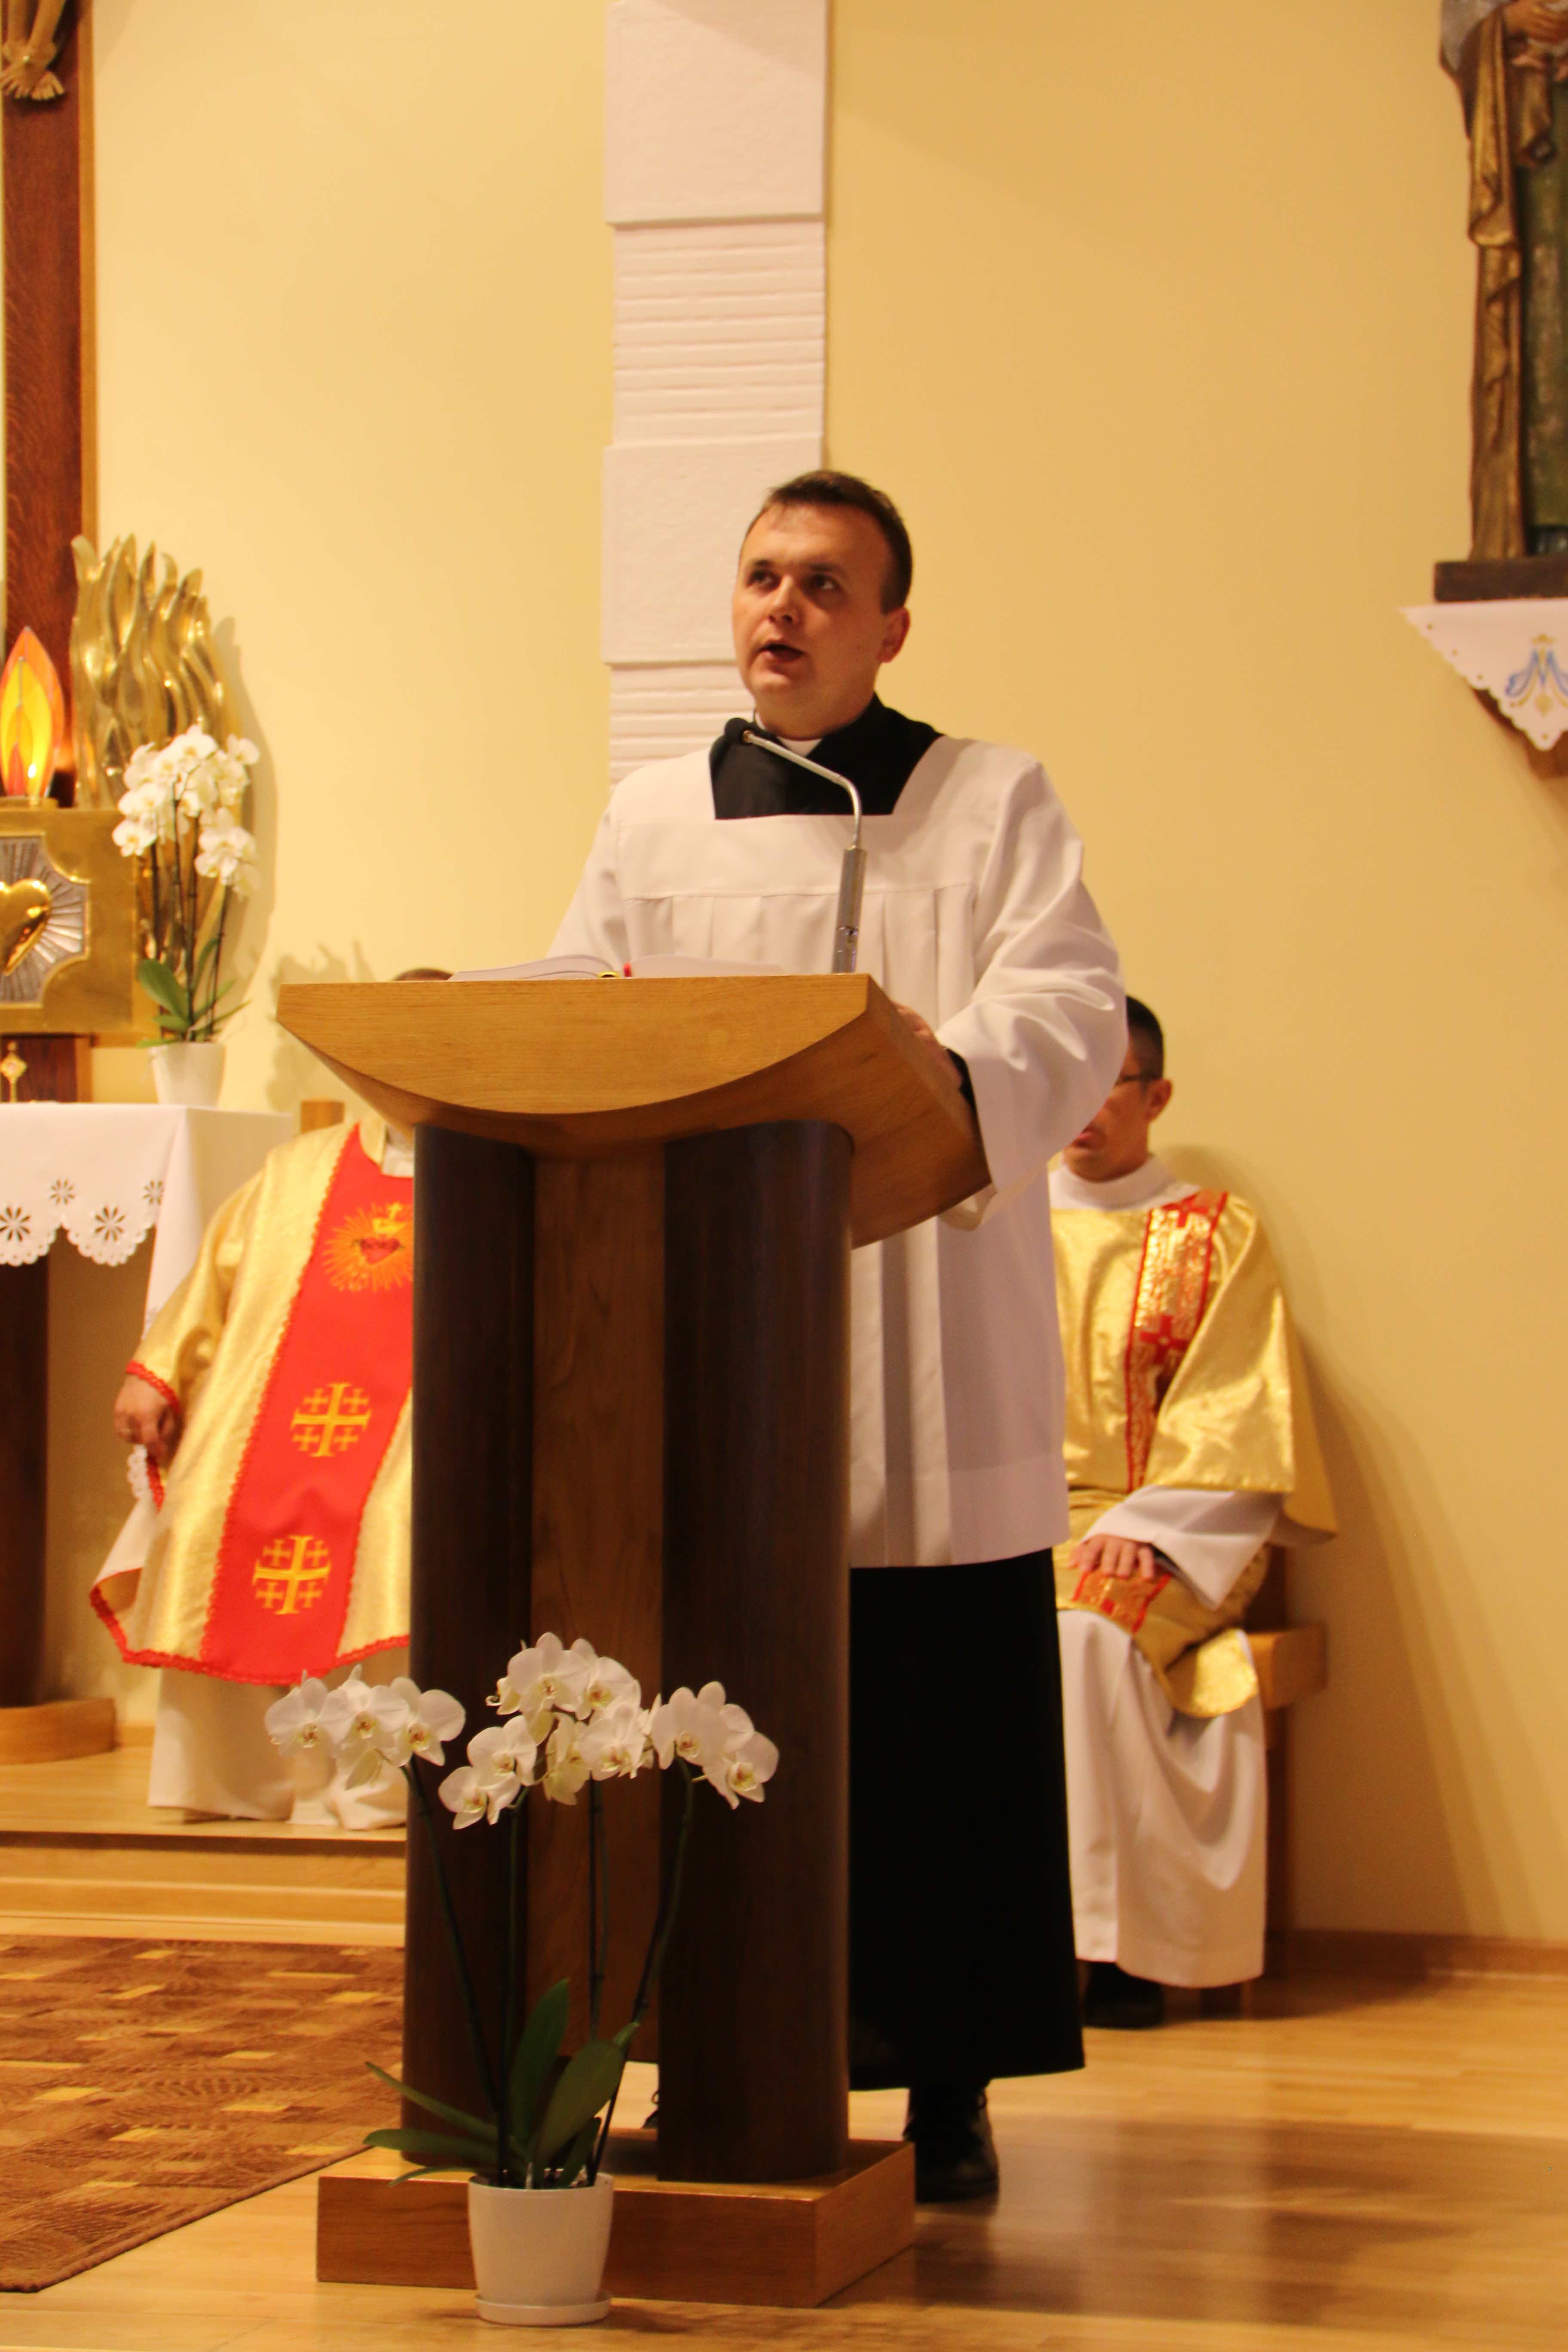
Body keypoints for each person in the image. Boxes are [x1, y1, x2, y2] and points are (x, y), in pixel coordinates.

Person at [551, 469, 1125, 2198]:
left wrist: (938, 1073)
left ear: (889, 627)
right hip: (716, 1336)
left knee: (934, 1731)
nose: (781, 609)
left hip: (923, 1322)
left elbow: (1070, 1002)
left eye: (821, 584)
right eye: (759, 577)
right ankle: (708, 2065)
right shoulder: (653, 818)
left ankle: (945, 2088)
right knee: (712, 1719)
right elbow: (576, 1014)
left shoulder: (985, 797)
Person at [1050, 998, 1335, 2026]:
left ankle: (1110, 1953)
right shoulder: (995, 1225)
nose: (1083, 1107)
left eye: (1110, 1082)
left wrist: (1150, 1526)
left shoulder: (1214, 1232)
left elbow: (1237, 1413)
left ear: (1157, 1095)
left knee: (1086, 1636)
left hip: (1174, 1524)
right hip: (1028, 1525)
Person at [98, 1107, 417, 1828]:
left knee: (390, 1521)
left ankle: (377, 1788)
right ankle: (235, 1781)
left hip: (417, 1422)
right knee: (206, 1511)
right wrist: (155, 1372)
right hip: (277, 1415)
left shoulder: (494, 1161)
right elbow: (209, 1282)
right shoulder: (299, 1169)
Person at [1443, 1, 1568, 554]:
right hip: (1532, 145)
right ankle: (1546, 518)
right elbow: (1461, 41)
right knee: (1542, 332)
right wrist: (1507, 26)